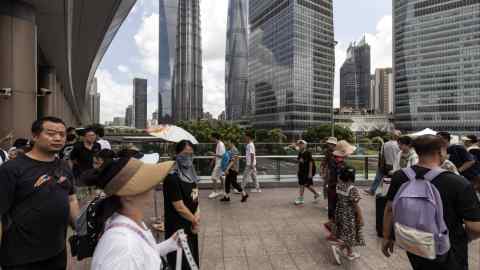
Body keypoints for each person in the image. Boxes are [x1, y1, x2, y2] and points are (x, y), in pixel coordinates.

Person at [382, 135, 480, 270]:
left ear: (417, 151)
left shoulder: (400, 176)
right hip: (448, 250)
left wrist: (387, 237)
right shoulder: (458, 183)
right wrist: (465, 238)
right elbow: (475, 227)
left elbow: (389, 209)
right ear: (440, 152)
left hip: (414, 244)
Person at [0, 116, 80, 270]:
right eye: (50, 133)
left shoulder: (64, 166)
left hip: (56, 252)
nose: (58, 138)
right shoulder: (11, 169)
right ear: (35, 136)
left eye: (62, 135)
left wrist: (80, 228)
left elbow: (71, 199)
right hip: (21, 257)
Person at [88, 156, 179, 270]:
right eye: (145, 184)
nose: (152, 187)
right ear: (127, 196)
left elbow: (141, 255)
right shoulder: (124, 247)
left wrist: (168, 245)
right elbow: (131, 254)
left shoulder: (132, 222)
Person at [163, 140, 200, 269]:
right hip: (177, 227)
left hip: (190, 224)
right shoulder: (172, 177)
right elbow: (179, 207)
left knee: (192, 258)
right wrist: (194, 221)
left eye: (191, 154)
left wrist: (196, 218)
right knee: (181, 262)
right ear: (177, 154)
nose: (188, 158)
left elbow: (196, 199)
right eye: (185, 154)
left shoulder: (192, 174)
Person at [331, 166, 365, 264]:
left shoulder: (339, 185)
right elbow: (355, 205)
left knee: (346, 233)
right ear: (351, 177)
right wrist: (360, 217)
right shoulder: (352, 189)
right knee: (350, 235)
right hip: (349, 216)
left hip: (340, 213)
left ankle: (350, 253)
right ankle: (338, 248)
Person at [324, 140, 357, 240]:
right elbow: (341, 180)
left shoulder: (333, 160)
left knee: (333, 210)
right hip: (337, 191)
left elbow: (329, 175)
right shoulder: (342, 164)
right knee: (337, 212)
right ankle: (334, 233)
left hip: (332, 189)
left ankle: (332, 228)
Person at [364, 130, 401, 196]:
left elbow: (381, 155)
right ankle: (391, 193)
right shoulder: (399, 145)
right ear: (398, 136)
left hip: (384, 165)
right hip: (395, 165)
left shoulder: (385, 144)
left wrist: (380, 165)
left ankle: (372, 190)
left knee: (378, 178)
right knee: (393, 181)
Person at [294, 140, 321, 205]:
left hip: (307, 172)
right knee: (301, 184)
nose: (300, 145)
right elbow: (299, 161)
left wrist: (310, 173)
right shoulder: (300, 152)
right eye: (299, 144)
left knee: (307, 185)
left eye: (302, 144)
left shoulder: (308, 152)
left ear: (305, 145)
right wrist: (298, 169)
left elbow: (311, 162)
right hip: (301, 171)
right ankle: (301, 198)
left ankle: (316, 194)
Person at [208, 132, 225, 199]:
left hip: (219, 164)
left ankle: (215, 192)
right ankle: (224, 190)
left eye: (211, 137)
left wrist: (213, 154)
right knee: (220, 177)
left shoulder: (220, 144)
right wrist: (213, 161)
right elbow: (218, 155)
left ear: (214, 137)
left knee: (213, 177)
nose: (211, 138)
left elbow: (222, 156)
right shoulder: (218, 144)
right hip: (218, 163)